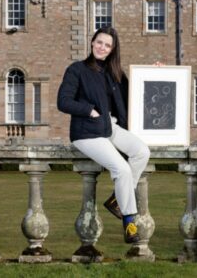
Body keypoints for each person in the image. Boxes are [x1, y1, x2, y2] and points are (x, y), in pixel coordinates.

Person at [57, 26, 150, 244]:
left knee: (142, 152)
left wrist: (154, 73)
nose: (102, 47)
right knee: (122, 169)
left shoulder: (114, 73)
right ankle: (129, 222)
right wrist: (88, 110)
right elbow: (63, 101)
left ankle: (117, 200)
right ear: (92, 42)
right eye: (99, 42)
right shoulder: (76, 69)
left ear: (112, 50)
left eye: (107, 45)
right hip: (87, 132)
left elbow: (137, 90)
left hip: (110, 127)